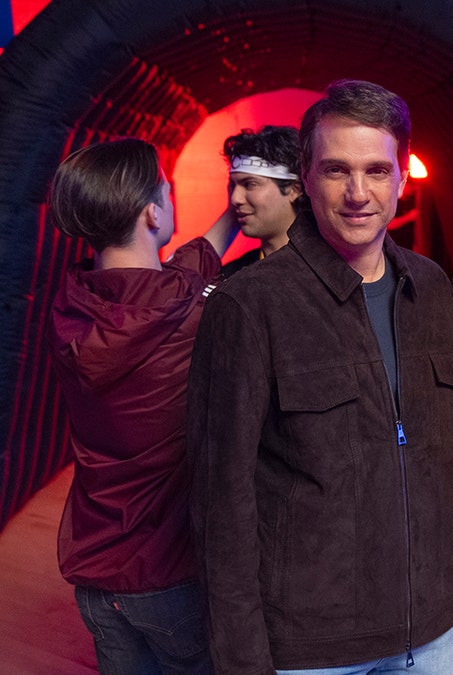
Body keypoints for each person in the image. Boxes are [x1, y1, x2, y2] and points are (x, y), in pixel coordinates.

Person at [188, 79, 453, 674]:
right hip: (310, 646)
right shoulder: (249, 304)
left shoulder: (432, 288)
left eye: (376, 170)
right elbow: (221, 498)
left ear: (401, 177)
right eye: (337, 170)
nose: (359, 193)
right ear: (306, 179)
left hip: (434, 630)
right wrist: (241, 657)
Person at [48, 137, 238, 674]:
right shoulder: (191, 316)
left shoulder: (73, 306)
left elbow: (185, 273)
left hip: (96, 578)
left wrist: (231, 215)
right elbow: (188, 288)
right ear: (154, 212)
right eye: (166, 188)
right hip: (167, 578)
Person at [218, 125, 304, 277]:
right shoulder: (230, 277)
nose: (235, 199)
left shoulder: (334, 270)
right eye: (233, 185)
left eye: (249, 184)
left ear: (295, 190)